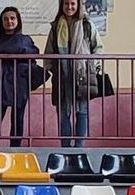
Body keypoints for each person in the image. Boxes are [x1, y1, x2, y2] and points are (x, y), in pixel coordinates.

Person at [45, 0, 101, 148]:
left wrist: (91, 66)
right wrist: (53, 69)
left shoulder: (87, 25)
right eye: (66, 4)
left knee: (82, 112)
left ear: (78, 6)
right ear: (61, 6)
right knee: (64, 113)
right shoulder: (56, 26)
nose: (69, 7)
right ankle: (65, 147)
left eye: (72, 4)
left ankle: (78, 147)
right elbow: (49, 51)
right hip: (62, 77)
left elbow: (98, 47)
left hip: (82, 76)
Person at [0, 7, 40, 147]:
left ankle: (15, 149)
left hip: (20, 82)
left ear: (18, 20)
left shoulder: (26, 39)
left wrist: (9, 50)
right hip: (2, 82)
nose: (9, 21)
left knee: (18, 118)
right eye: (5, 19)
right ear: (1, 21)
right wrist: (20, 50)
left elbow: (34, 54)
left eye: (12, 18)